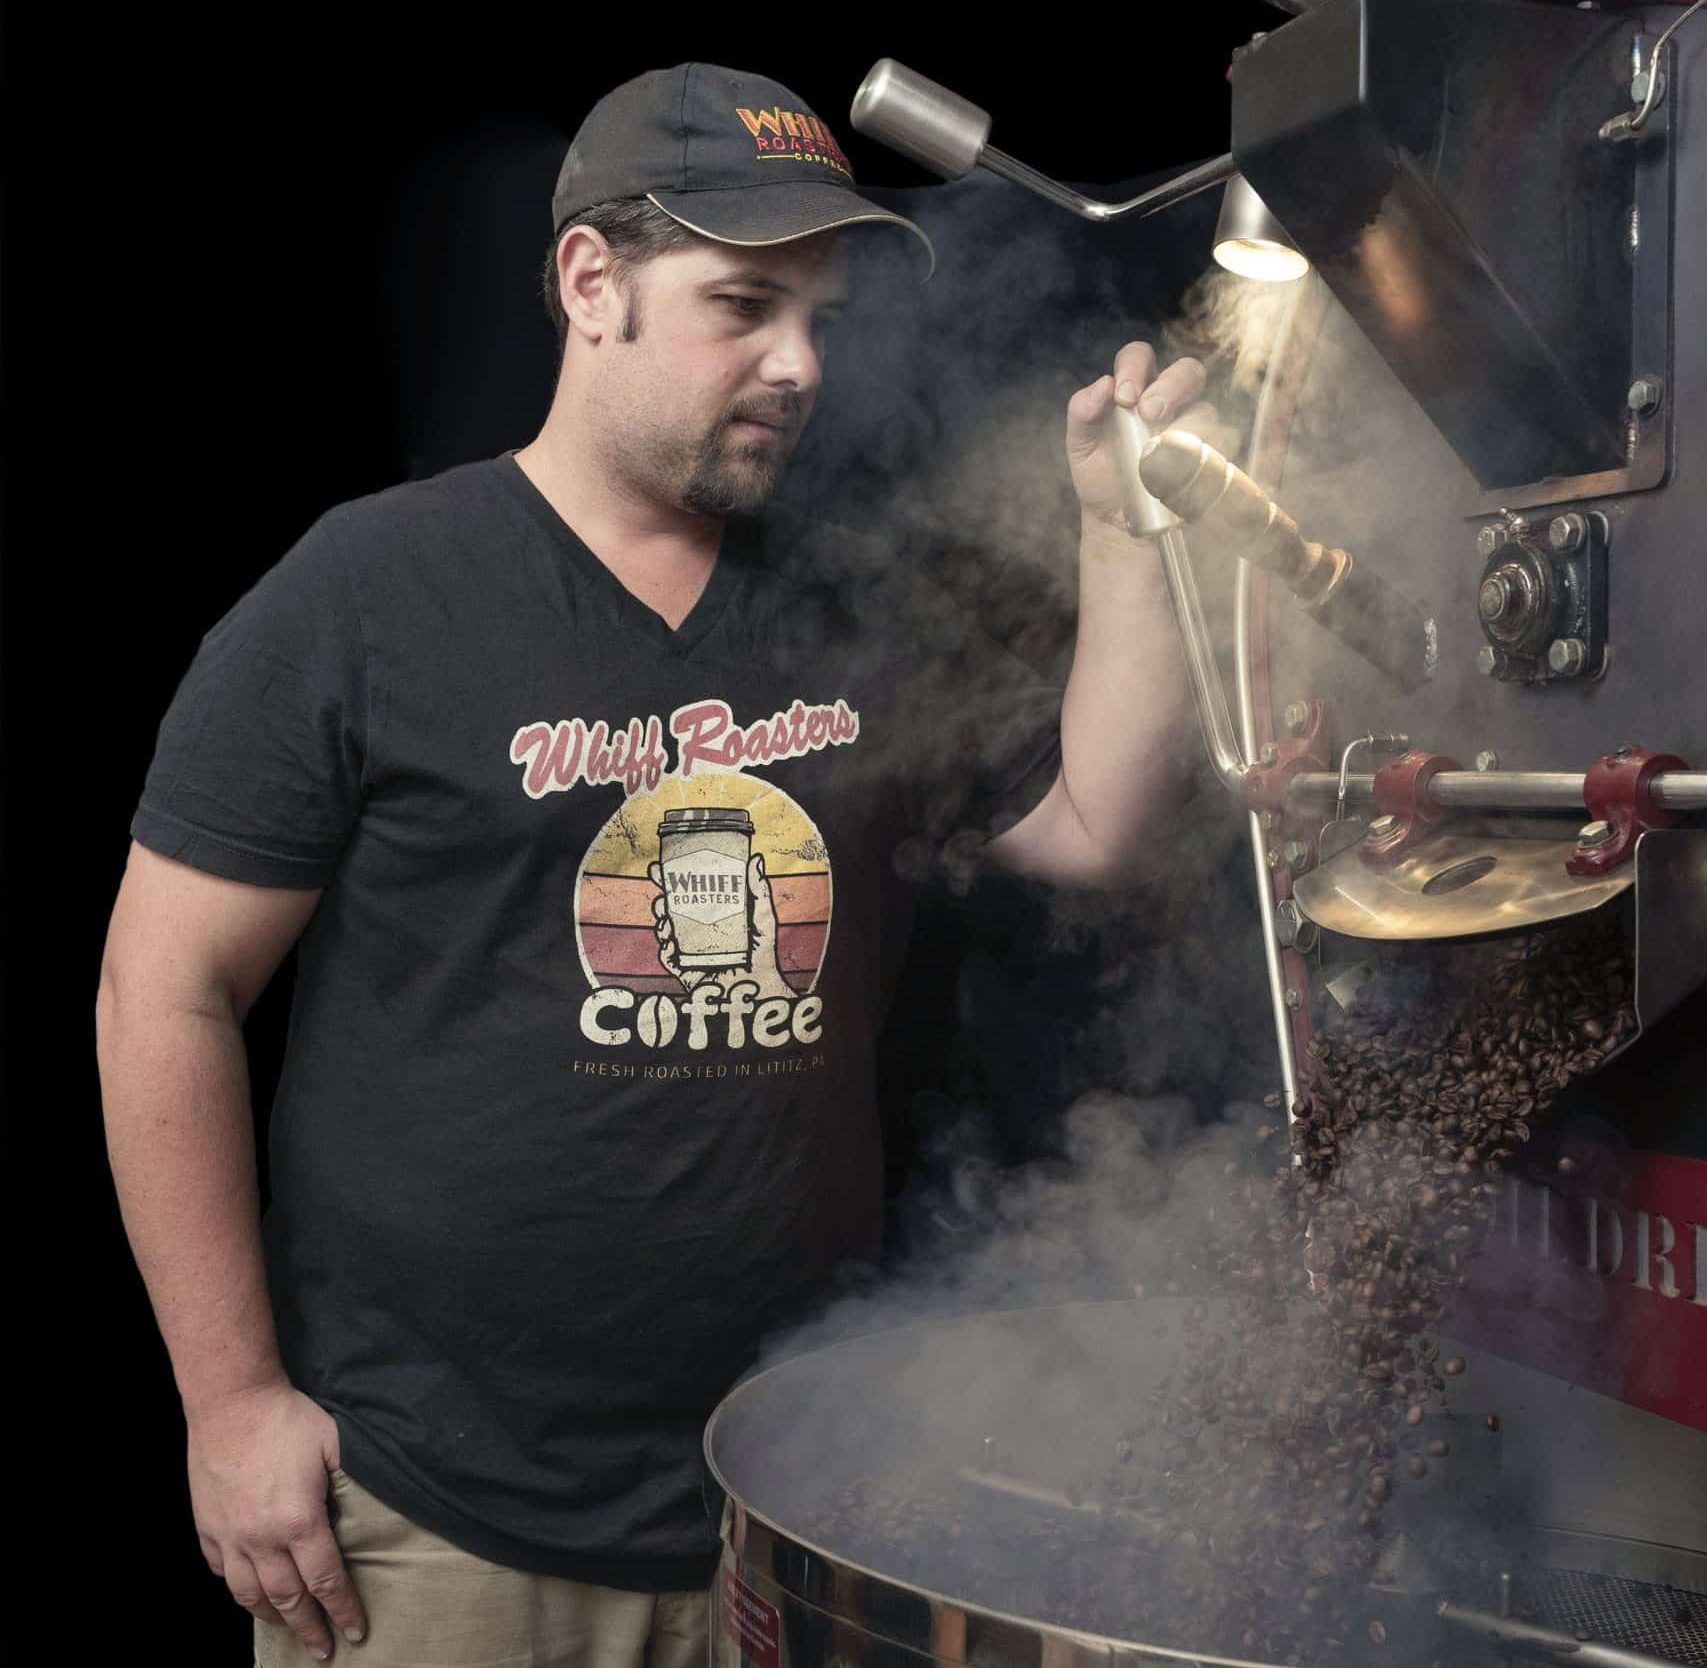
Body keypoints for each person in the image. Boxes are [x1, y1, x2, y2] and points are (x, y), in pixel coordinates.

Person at [94, 61, 1200, 1668]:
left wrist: (1124, 535)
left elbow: (1097, 829)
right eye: (746, 305)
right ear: (589, 282)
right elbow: (160, 991)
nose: (800, 364)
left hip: (794, 1502)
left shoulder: (860, 609)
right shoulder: (369, 595)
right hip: (430, 1529)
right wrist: (229, 1402)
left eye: (820, 317)